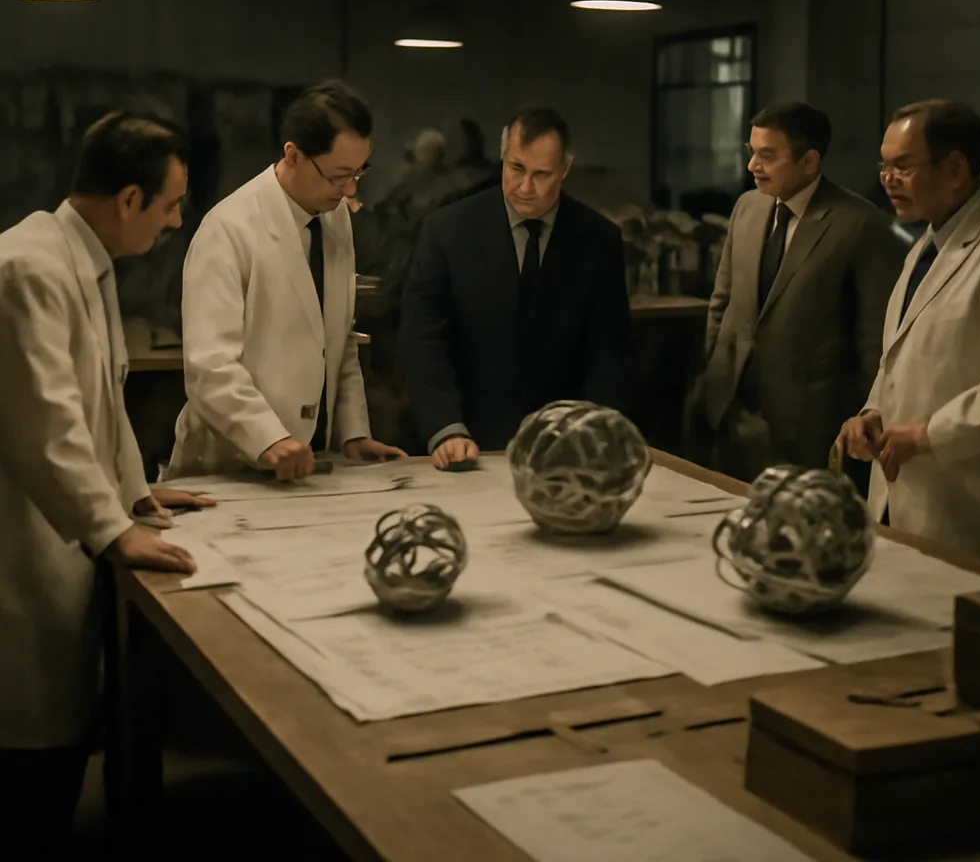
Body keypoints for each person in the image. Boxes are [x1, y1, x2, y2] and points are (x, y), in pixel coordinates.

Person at [0, 111, 208, 858]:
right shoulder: (29, 266)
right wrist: (115, 530)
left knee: (58, 753)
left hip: (64, 540)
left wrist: (137, 495)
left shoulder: (80, 260)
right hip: (22, 551)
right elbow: (46, 423)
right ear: (127, 199)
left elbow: (105, 400)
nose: (177, 220)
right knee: (28, 782)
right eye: (170, 204)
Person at [166, 79, 404, 479]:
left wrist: (352, 433)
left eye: (359, 173)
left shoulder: (336, 217)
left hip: (311, 460)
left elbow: (339, 340)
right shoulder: (229, 228)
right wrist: (269, 438)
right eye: (338, 175)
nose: (349, 188)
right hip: (228, 463)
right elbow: (210, 367)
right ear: (292, 155)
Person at [836, 100, 980, 566]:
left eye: (903, 166)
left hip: (965, 504)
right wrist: (871, 411)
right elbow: (900, 358)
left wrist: (927, 436)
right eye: (884, 165)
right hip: (898, 497)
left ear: (956, 167)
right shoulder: (925, 243)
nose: (887, 179)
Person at [399, 107, 630, 469]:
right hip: (466, 442)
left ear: (565, 169)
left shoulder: (598, 240)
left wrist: (587, 432)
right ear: (503, 159)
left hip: (564, 450)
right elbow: (423, 337)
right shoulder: (447, 231)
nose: (525, 187)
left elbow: (609, 350)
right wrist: (445, 426)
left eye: (542, 175)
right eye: (516, 169)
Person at [697, 101, 906, 482]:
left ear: (809, 162)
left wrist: (860, 419)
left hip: (808, 429)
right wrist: (714, 370)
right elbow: (723, 301)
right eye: (751, 153)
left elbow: (874, 342)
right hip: (731, 412)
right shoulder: (747, 207)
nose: (752, 167)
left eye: (767, 156)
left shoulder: (861, 226)